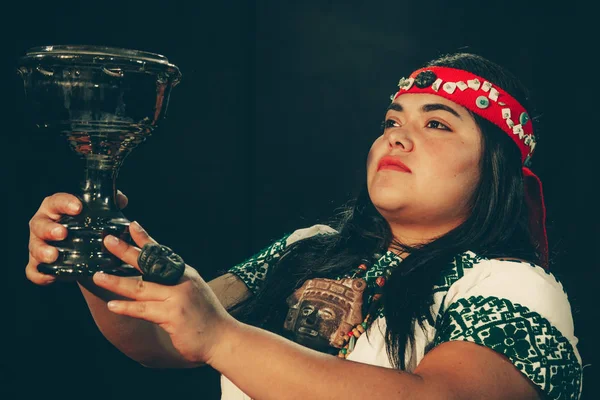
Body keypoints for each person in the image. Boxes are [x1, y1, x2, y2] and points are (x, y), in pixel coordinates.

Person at [26, 52, 583, 399]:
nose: (397, 136)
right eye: (392, 121)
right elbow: (162, 341)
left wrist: (221, 333)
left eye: (437, 124)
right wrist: (97, 254)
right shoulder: (309, 247)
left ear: (495, 171)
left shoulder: (512, 284)